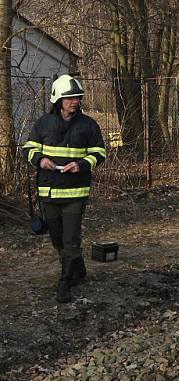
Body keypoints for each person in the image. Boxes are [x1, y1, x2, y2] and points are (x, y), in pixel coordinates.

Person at [22, 75, 106, 303]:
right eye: (70, 98)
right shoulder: (43, 124)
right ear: (58, 99)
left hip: (75, 195)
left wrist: (81, 164)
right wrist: (40, 160)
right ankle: (77, 268)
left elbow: (100, 153)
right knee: (58, 240)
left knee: (71, 240)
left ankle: (65, 282)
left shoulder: (88, 125)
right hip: (48, 193)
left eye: (77, 98)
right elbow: (28, 148)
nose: (75, 102)